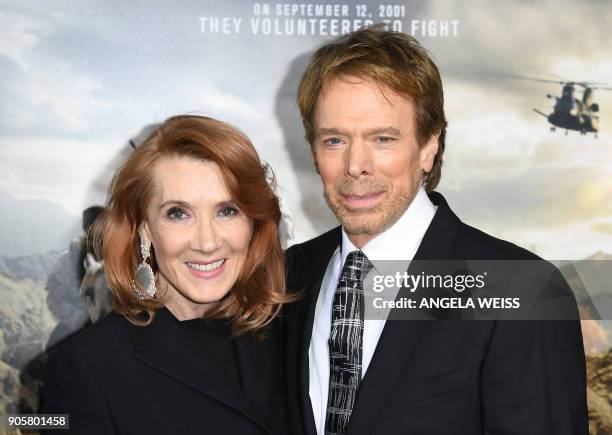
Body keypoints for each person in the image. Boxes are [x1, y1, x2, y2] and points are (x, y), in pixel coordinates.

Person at [283, 26, 588, 435]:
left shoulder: (524, 291)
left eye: (383, 138)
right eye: (334, 140)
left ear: (429, 146)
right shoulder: (287, 275)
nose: (356, 164)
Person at [41, 115, 290, 435]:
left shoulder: (285, 337)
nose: (208, 242)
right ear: (145, 229)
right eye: (178, 213)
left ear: (252, 221)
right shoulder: (87, 367)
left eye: (227, 210)